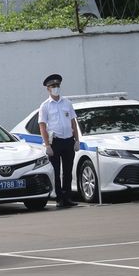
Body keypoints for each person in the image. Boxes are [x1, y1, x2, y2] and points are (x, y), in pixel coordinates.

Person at [38, 74, 80, 208]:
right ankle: (59, 198)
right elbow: (42, 126)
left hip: (68, 140)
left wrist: (77, 140)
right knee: (56, 171)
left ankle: (67, 197)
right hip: (55, 142)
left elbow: (73, 122)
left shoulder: (67, 103)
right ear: (48, 89)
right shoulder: (45, 106)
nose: (56, 88)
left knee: (68, 171)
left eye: (57, 86)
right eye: (53, 86)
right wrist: (47, 145)